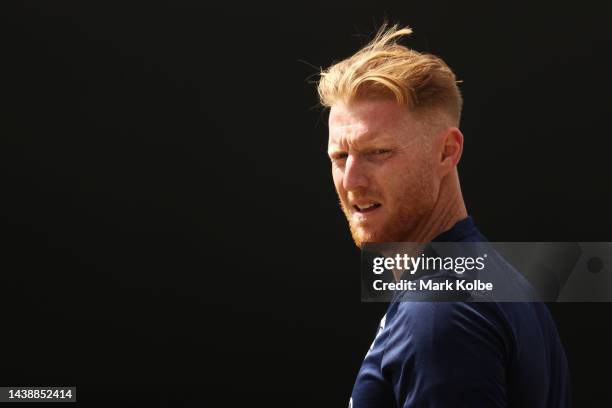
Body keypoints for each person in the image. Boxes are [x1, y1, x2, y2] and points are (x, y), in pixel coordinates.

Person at [316, 23, 570, 407]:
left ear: (446, 152)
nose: (351, 180)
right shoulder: (488, 279)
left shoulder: (439, 316)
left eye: (378, 152)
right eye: (339, 156)